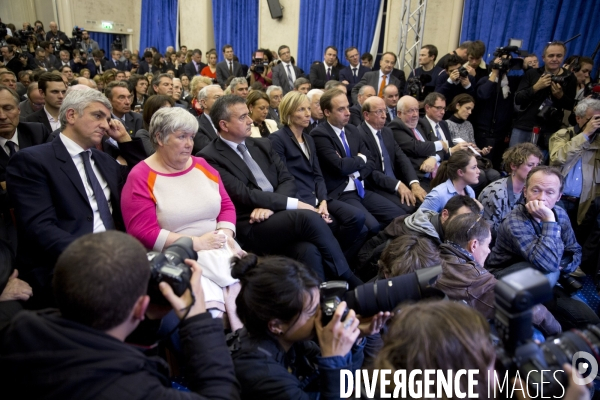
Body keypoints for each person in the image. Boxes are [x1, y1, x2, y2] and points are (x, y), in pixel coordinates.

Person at [0, 230, 240, 399]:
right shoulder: (134, 390)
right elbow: (222, 394)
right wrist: (197, 319)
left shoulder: (17, 330)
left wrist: (147, 321)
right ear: (139, 307)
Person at [200, 94, 363, 286]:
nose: (250, 121)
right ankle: (349, 280)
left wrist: (272, 206)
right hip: (251, 224)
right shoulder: (209, 157)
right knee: (308, 217)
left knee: (308, 250)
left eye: (248, 115)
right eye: (243, 117)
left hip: (274, 214)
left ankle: (321, 298)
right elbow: (244, 194)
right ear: (224, 125)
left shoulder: (261, 144)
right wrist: (290, 204)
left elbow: (288, 180)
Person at [6, 89, 146, 307]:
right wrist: (97, 257)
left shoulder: (106, 161)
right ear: (71, 116)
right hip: (66, 264)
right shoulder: (33, 161)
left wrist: (125, 139)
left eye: (108, 119)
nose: (105, 124)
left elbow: (141, 179)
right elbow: (39, 228)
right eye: (98, 116)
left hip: (117, 257)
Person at [122, 107, 241, 313]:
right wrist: (196, 243)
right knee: (213, 310)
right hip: (176, 257)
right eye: (182, 137)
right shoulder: (141, 176)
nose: (189, 144)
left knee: (254, 295)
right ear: (160, 138)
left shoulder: (203, 165)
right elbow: (142, 232)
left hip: (219, 247)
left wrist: (225, 233)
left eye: (192, 137)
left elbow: (226, 206)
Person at [230, 254, 384, 400]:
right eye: (312, 312)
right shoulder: (261, 373)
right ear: (276, 325)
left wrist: (354, 339)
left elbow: (344, 386)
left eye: (320, 305)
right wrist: (334, 360)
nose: (321, 315)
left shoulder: (291, 342)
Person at [269, 91, 367, 260]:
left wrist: (322, 201)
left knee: (358, 219)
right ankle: (336, 265)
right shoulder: (277, 139)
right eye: (301, 109)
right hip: (300, 200)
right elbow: (284, 179)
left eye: (308, 108)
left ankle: (335, 262)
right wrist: (311, 207)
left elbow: (318, 175)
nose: (308, 113)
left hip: (318, 196)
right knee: (336, 225)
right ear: (288, 113)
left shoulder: (309, 138)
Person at [311, 89, 406, 235]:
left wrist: (356, 171)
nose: (348, 113)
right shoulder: (320, 134)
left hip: (361, 187)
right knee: (372, 226)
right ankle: (367, 255)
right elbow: (340, 167)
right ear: (327, 112)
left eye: (348, 107)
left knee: (399, 216)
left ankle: (378, 251)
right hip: (342, 193)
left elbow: (371, 161)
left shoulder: (352, 130)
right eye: (341, 109)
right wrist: (360, 159)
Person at [486, 166, 581, 288]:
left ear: (558, 197)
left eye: (550, 192)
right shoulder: (514, 221)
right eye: (535, 190)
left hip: (542, 275)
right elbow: (547, 266)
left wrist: (561, 265)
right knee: (547, 273)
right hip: (502, 277)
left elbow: (575, 251)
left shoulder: (560, 214)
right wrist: (549, 222)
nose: (541, 198)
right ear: (525, 192)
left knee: (580, 308)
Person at [357, 195, 480, 278]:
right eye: (461, 219)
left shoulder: (434, 223)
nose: (464, 225)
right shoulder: (418, 239)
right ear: (445, 214)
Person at [357, 96, 426, 213]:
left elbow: (401, 158)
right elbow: (370, 171)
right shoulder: (359, 135)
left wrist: (414, 183)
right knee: (408, 208)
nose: (385, 115)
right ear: (366, 115)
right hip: (375, 186)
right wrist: (397, 185)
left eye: (385, 110)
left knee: (424, 201)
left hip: (394, 180)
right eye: (379, 112)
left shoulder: (387, 131)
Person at [511, 42, 577, 149]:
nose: (555, 59)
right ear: (543, 58)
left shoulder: (570, 77)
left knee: (539, 164)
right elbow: (518, 99)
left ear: (563, 57)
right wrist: (536, 87)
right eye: (551, 56)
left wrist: (561, 96)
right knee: (513, 160)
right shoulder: (532, 73)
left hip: (549, 129)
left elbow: (570, 105)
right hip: (524, 125)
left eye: (559, 56)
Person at [549, 97, 600, 226]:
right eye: (592, 119)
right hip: (559, 198)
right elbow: (557, 157)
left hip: (584, 203)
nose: (596, 123)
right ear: (578, 118)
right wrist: (586, 134)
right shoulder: (563, 134)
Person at [479, 143, 542, 240]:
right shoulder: (495, 192)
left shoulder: (529, 190)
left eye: (537, 165)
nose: (535, 170)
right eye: (530, 165)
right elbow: (487, 230)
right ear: (513, 166)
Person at [388, 95, 448, 190]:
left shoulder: (421, 123)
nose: (415, 114)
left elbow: (441, 149)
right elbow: (416, 147)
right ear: (399, 114)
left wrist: (433, 158)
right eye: (410, 111)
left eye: (417, 110)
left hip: (439, 173)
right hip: (420, 178)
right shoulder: (395, 127)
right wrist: (440, 144)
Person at [446, 93, 500, 193]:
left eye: (471, 109)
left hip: (473, 159)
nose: (469, 112)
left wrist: (481, 151)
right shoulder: (447, 124)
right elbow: (450, 149)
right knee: (481, 175)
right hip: (460, 161)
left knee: (495, 174)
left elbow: (473, 145)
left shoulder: (468, 124)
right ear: (457, 106)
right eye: (467, 108)